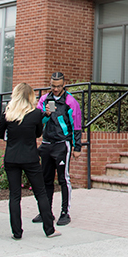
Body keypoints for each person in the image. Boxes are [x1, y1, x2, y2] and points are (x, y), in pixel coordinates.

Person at [0, 83, 61, 240]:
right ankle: (49, 229)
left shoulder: (8, 113)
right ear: (30, 96)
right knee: (40, 193)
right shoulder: (36, 114)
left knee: (15, 196)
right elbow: (39, 133)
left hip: (11, 157)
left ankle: (17, 232)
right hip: (30, 157)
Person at [33, 72, 82, 226]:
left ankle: (64, 212)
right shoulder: (43, 99)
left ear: (64, 85)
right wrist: (46, 114)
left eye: (58, 86)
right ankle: (45, 212)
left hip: (62, 143)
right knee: (46, 179)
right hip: (47, 143)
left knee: (63, 179)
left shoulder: (70, 101)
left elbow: (77, 125)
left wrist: (77, 147)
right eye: (53, 86)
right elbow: (38, 121)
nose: (55, 89)